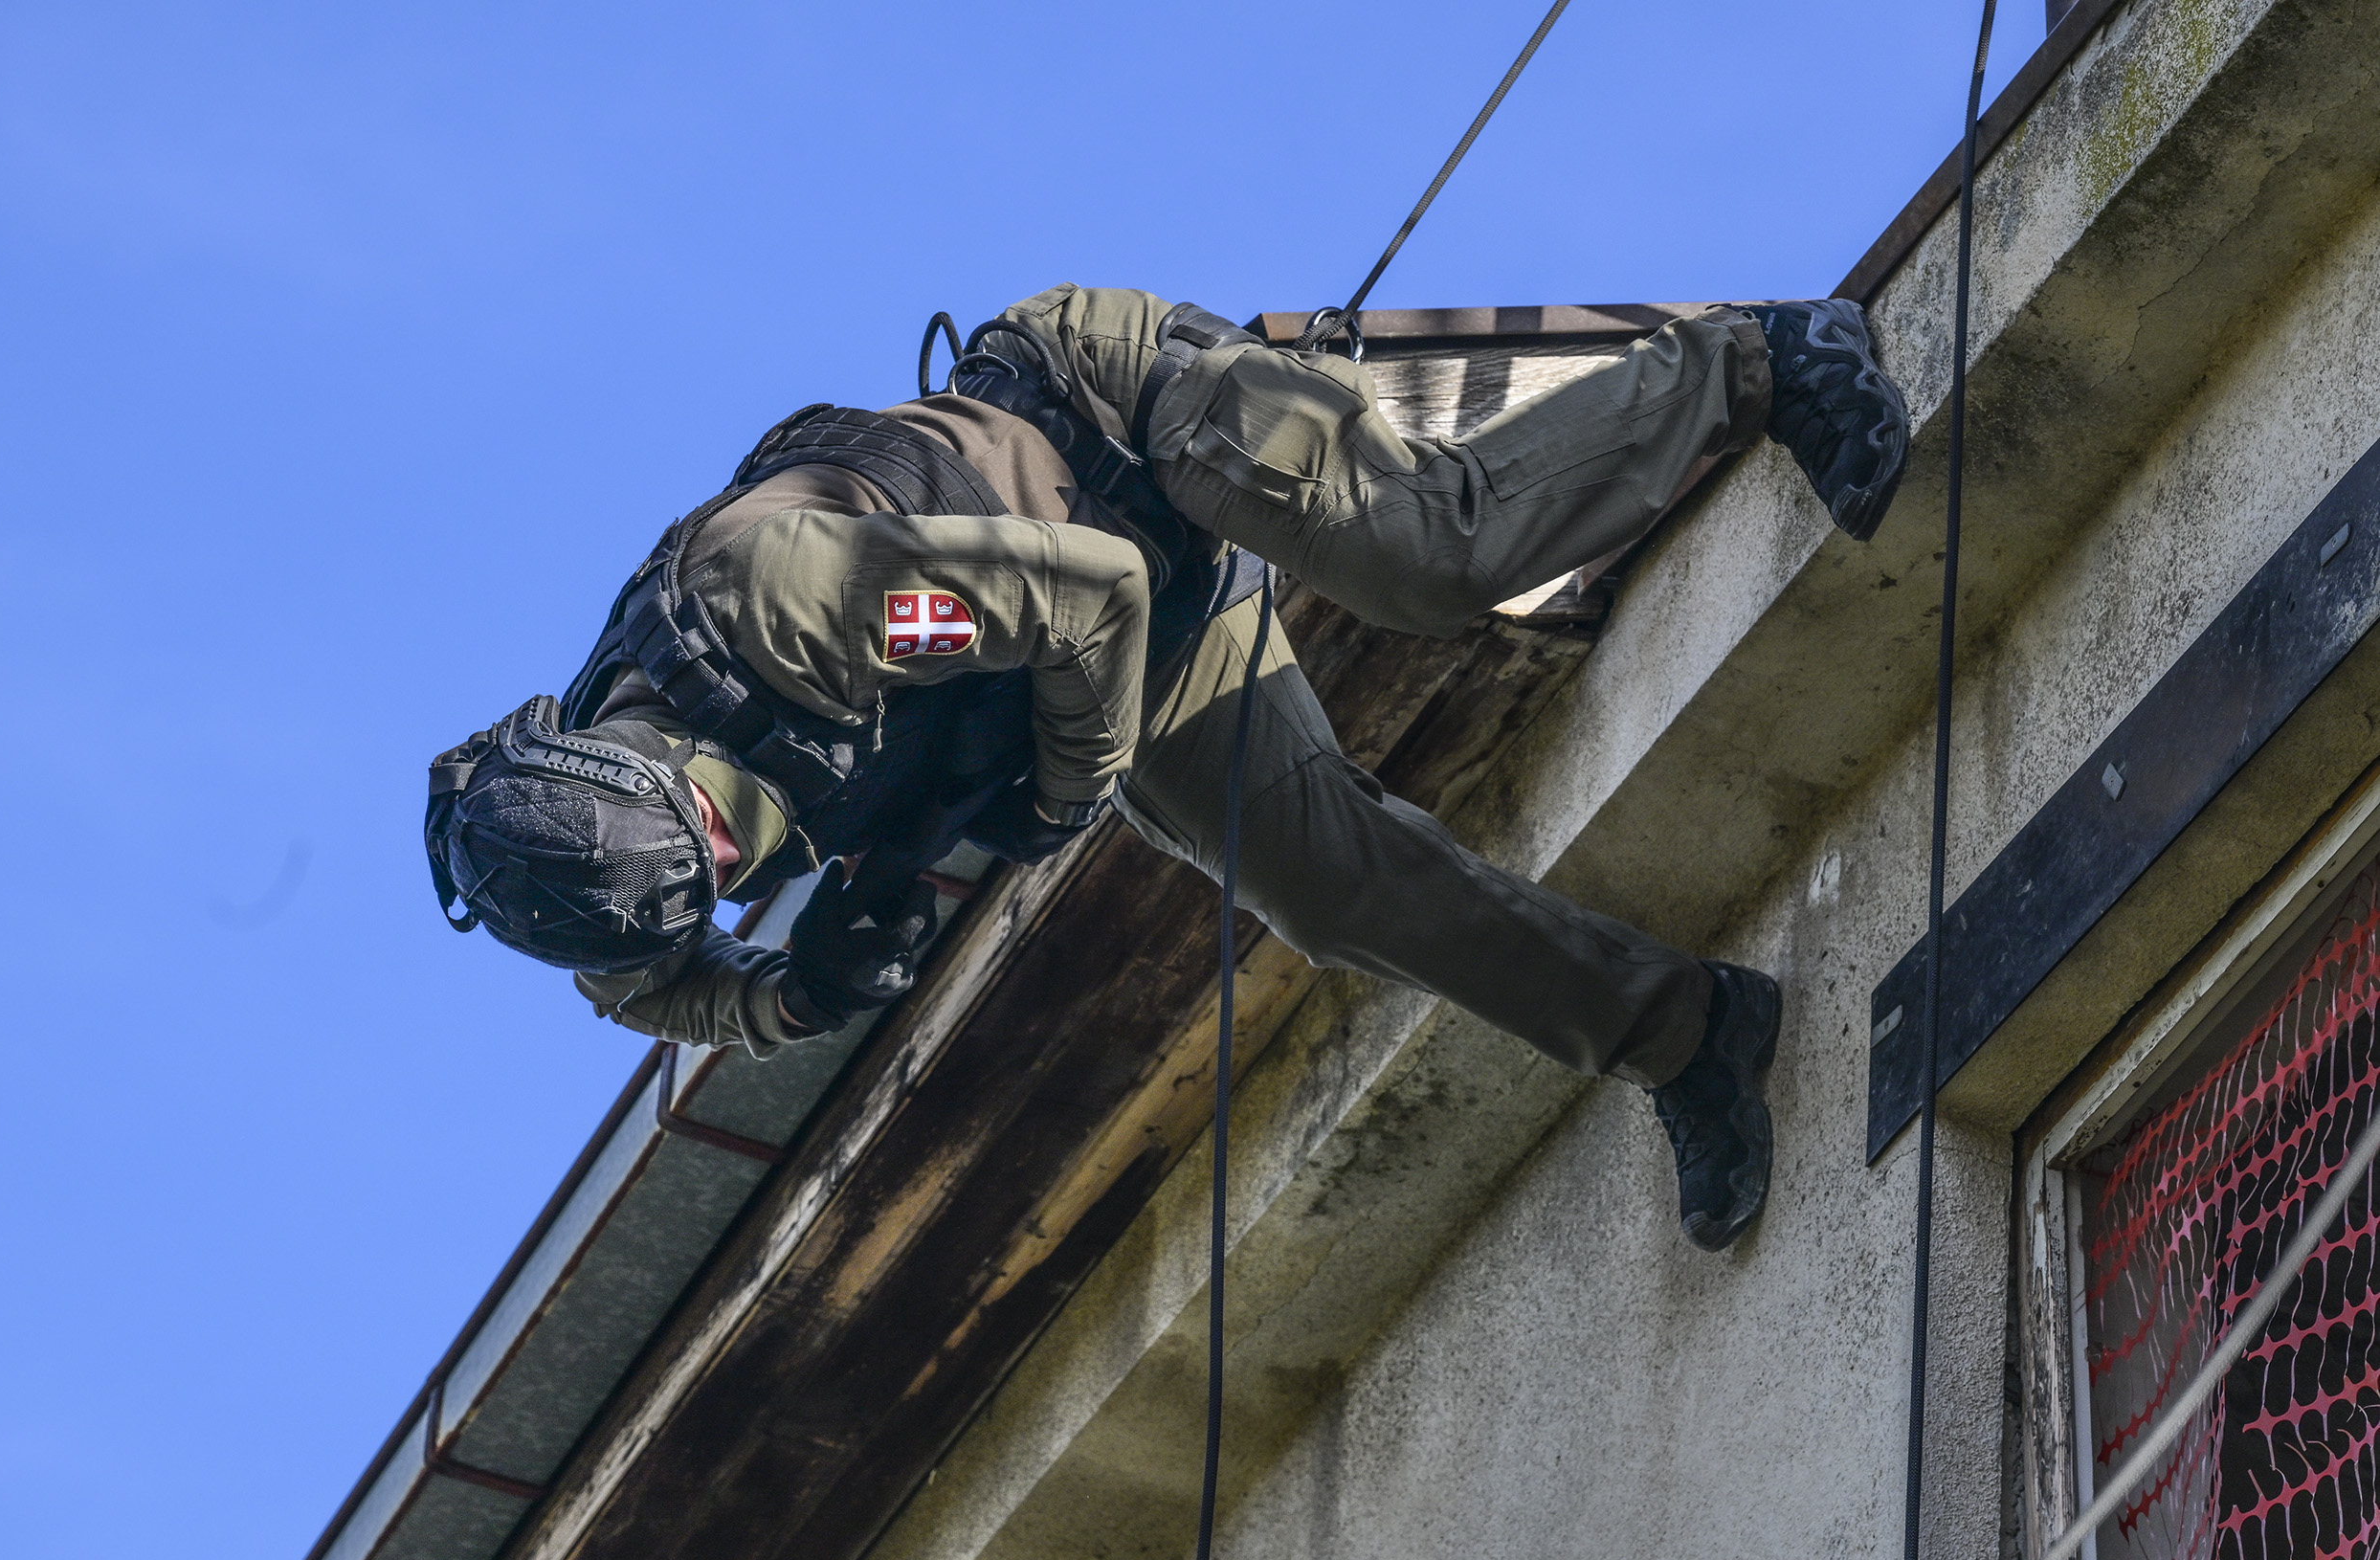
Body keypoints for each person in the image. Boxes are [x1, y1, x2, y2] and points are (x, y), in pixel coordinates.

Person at [425, 286, 1908, 1251]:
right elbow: (658, 994)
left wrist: (1061, 802)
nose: (730, 863)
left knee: (1419, 559)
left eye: (712, 839)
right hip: (1077, 649)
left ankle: (1764, 359)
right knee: (1324, 889)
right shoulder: (597, 878)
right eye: (714, 879)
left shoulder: (788, 599)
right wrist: (798, 995)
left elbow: (1093, 600)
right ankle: (1686, 1034)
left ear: (653, 774)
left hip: (1125, 436)